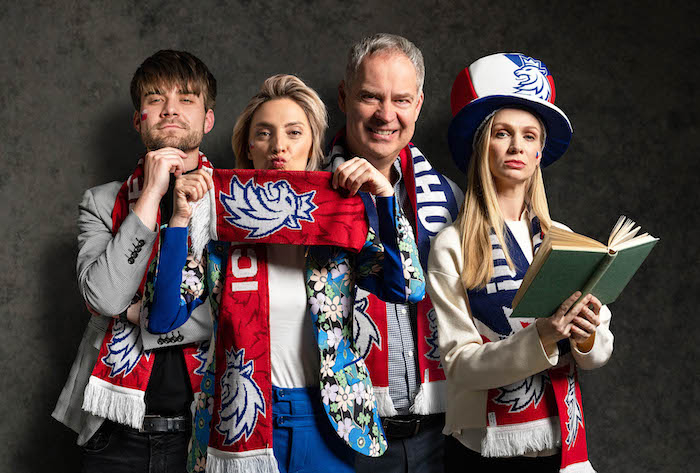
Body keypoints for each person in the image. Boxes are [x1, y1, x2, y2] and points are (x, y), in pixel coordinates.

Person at [146, 74, 426, 473]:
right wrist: (179, 219)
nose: (279, 146)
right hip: (239, 418)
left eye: (294, 133)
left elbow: (408, 288)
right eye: (264, 133)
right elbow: (161, 318)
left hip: (328, 419)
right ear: (248, 146)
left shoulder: (342, 218)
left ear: (312, 144)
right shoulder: (214, 222)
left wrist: (383, 199)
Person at [426, 53, 614, 472]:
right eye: (503, 133)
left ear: (539, 153)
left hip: (561, 441)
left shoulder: (563, 238)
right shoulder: (453, 245)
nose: (517, 147)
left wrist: (587, 335)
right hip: (485, 448)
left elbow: (596, 355)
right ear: (482, 145)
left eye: (529, 136)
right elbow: (458, 366)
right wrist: (541, 338)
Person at [51, 49, 218, 472]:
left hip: (207, 426)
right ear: (138, 120)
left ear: (208, 119)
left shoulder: (233, 202)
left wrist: (140, 314)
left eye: (186, 99)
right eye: (155, 99)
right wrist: (151, 194)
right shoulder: (101, 202)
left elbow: (233, 311)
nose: (170, 110)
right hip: (113, 429)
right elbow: (106, 298)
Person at [325, 33, 463, 472]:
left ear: (418, 105)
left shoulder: (451, 199)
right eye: (370, 97)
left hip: (444, 433)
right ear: (344, 97)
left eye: (401, 100)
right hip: (344, 434)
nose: (386, 115)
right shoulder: (308, 198)